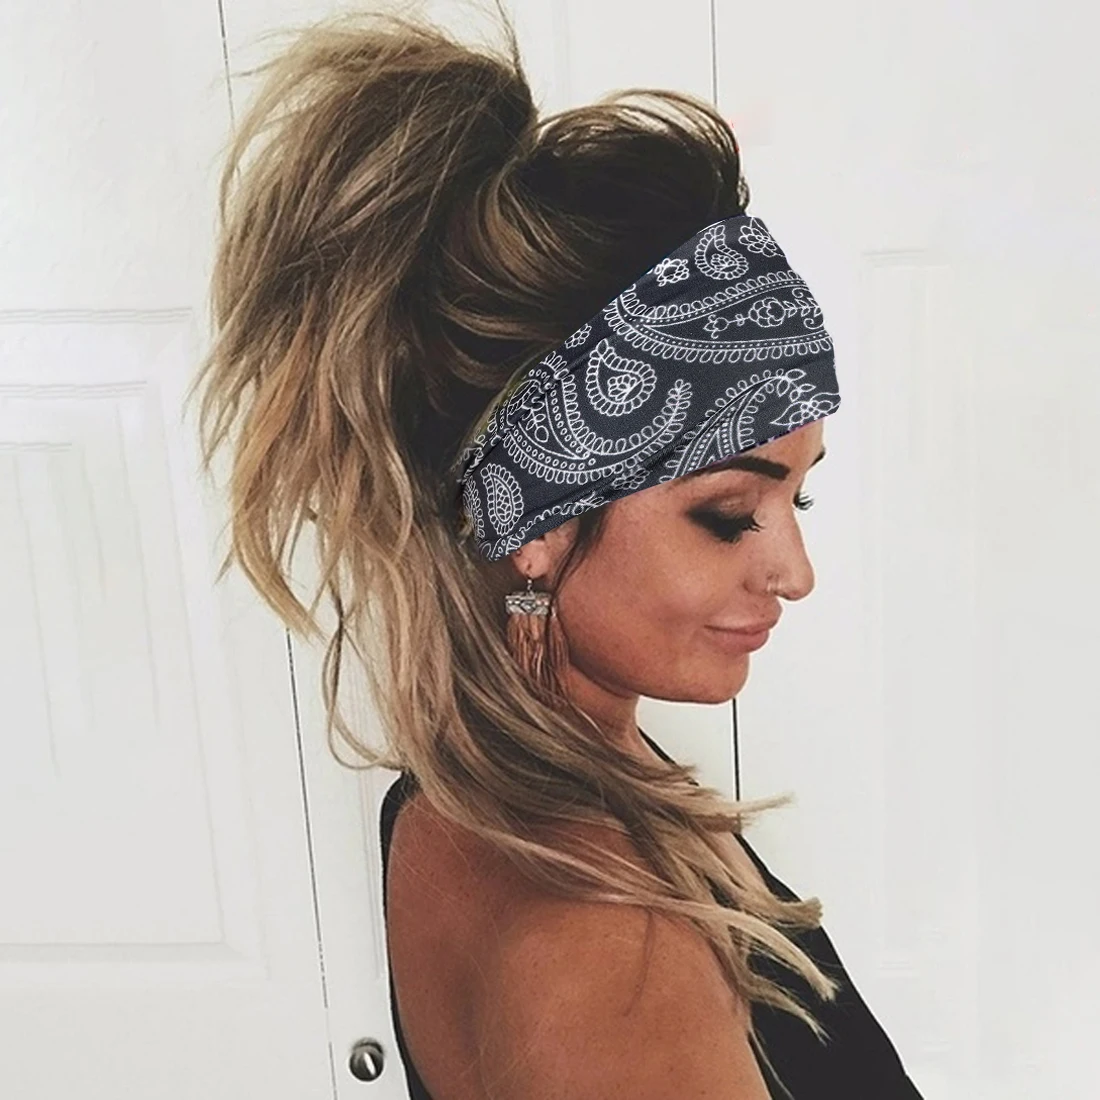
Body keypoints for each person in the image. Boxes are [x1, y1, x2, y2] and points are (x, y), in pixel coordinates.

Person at [188, 4, 925, 1097]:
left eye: (798, 497)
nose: (794, 572)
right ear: (532, 519)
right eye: (730, 512)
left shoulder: (454, 797)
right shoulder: (611, 955)